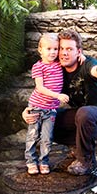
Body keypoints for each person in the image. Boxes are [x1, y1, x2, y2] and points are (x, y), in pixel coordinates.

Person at [22, 29, 97, 176]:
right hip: (83, 116)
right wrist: (27, 111)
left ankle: (86, 161)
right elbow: (40, 92)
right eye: (61, 48)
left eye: (69, 49)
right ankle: (77, 148)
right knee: (47, 117)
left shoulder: (86, 63)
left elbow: (94, 68)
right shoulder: (57, 70)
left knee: (85, 113)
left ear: (78, 52)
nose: (64, 53)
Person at [24, 33, 69, 175]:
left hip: (51, 110)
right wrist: (57, 95)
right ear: (40, 50)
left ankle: (44, 162)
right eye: (48, 49)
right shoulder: (38, 67)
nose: (52, 52)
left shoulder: (59, 64)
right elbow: (40, 88)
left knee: (47, 138)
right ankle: (31, 162)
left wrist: (82, 56)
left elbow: (72, 59)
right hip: (37, 107)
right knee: (33, 136)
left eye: (55, 49)